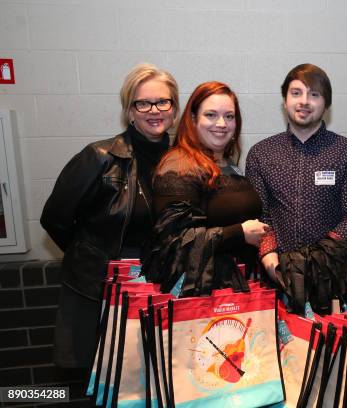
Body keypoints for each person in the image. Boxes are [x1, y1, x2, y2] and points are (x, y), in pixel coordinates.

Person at [41, 63, 179, 369]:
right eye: (142, 102)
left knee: (159, 377)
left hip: (164, 286)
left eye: (162, 101)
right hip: (107, 291)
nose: (153, 110)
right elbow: (54, 218)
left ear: (174, 109)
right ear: (129, 110)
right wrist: (96, 256)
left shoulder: (183, 159)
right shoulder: (99, 158)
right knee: (109, 377)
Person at [246, 63, 347, 313]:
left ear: (326, 104)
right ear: (284, 100)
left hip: (335, 277)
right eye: (296, 93)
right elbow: (261, 214)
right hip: (278, 277)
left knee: (336, 349)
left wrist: (318, 261)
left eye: (314, 94)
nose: (304, 101)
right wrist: (270, 260)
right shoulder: (261, 154)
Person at [141, 81, 268, 295]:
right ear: (193, 119)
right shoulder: (179, 166)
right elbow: (175, 243)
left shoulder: (228, 164)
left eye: (229, 116)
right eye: (211, 115)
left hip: (237, 291)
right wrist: (239, 233)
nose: (222, 123)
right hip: (201, 297)